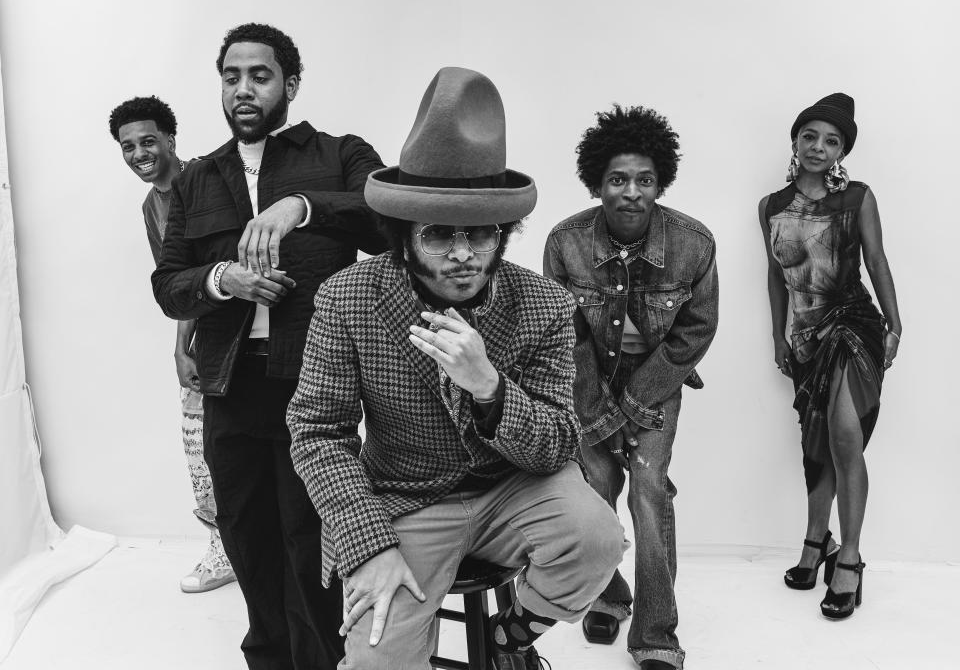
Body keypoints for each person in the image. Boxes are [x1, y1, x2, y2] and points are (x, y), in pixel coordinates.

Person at [288, 67, 627, 670]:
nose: (465, 254)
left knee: (598, 538)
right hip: (406, 499)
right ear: (403, 234)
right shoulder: (347, 299)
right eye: (441, 235)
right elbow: (318, 434)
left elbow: (558, 445)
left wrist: (490, 388)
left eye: (482, 234)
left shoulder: (544, 303)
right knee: (375, 665)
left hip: (513, 486)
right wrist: (369, 546)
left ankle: (509, 639)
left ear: (504, 232)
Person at [152, 22, 387, 669]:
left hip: (314, 387)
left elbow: (389, 219)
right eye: (231, 77)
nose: (243, 89)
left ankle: (326, 661)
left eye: (259, 75)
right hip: (230, 388)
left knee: (310, 542)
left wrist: (302, 207)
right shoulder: (199, 178)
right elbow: (170, 286)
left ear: (290, 83)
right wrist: (221, 278)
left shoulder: (338, 154)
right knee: (247, 540)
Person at [544, 105, 718, 670]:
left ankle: (656, 634)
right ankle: (607, 593)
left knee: (646, 485)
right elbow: (562, 335)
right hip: (586, 380)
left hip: (660, 380)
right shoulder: (565, 242)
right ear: (597, 183)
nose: (632, 192)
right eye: (618, 179)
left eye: (644, 180)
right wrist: (598, 412)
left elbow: (694, 331)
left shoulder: (693, 243)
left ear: (659, 182)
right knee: (596, 482)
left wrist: (638, 402)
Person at [759, 93, 901, 620]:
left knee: (845, 436)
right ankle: (816, 539)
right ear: (795, 141)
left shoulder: (857, 198)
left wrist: (894, 321)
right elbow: (777, 275)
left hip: (853, 324)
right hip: (804, 335)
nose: (819, 146)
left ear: (843, 150)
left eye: (832, 140)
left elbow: (876, 258)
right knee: (815, 439)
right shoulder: (770, 207)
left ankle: (852, 557)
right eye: (810, 136)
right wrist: (778, 336)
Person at [109, 95, 236, 594]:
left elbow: (220, 267)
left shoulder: (207, 179)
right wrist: (181, 347)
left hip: (247, 331)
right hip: (203, 335)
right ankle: (224, 548)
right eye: (128, 146)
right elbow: (176, 283)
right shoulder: (151, 206)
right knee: (199, 446)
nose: (139, 153)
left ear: (171, 140)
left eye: (148, 141)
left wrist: (190, 340)